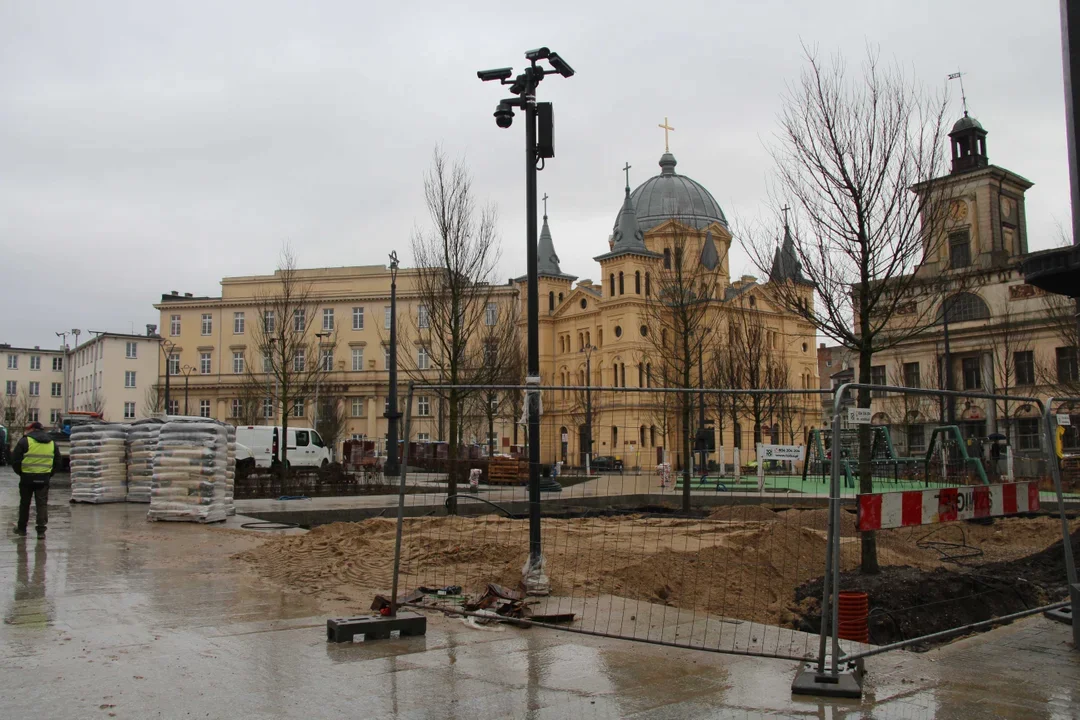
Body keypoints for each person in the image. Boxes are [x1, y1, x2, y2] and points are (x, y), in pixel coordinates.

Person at [10, 421, 61, 538]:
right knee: (42, 504)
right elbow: (58, 462)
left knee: (24, 504)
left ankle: (22, 529)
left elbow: (15, 460)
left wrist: (21, 473)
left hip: (27, 478)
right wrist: (49, 474)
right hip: (43, 478)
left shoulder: (25, 441)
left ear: (32, 429)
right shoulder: (52, 443)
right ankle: (41, 531)